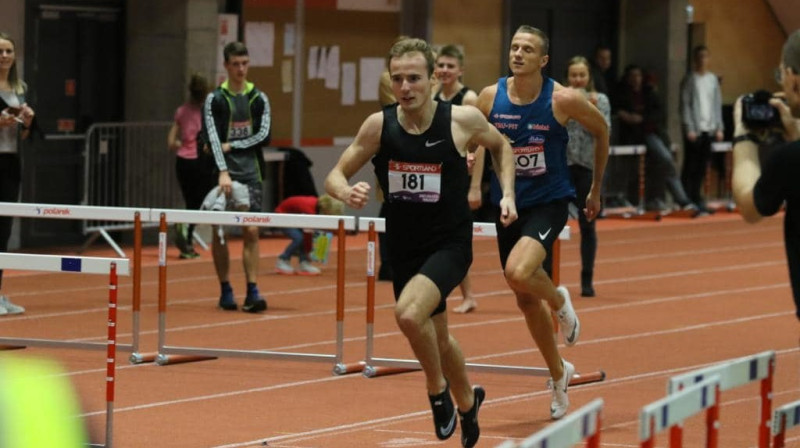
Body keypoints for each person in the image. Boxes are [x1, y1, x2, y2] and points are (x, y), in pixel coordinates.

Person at [325, 37, 517, 447]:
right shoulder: (380, 125)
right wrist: (346, 193)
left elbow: (503, 146)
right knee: (439, 336)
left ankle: (437, 392)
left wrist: (509, 194)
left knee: (409, 315)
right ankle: (468, 401)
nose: (406, 87)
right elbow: (335, 175)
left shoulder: (460, 120)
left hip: (449, 243)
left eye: (414, 78)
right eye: (398, 79)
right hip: (404, 246)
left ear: (433, 81)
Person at [474, 25, 608, 419]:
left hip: (550, 202)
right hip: (509, 204)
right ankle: (558, 374)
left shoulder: (563, 99)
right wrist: (469, 163)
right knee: (522, 296)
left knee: (518, 271)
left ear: (543, 60)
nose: (517, 54)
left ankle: (560, 300)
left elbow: (602, 130)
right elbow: (473, 136)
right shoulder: (490, 96)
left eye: (527, 49)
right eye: (514, 47)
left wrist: (597, 189)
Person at [732, 29, 800, 321]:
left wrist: (743, 140)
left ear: (795, 79)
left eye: (782, 74)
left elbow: (750, 207)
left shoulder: (789, 159)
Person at [203, 41, 270, 313]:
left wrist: (236, 145)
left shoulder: (259, 98)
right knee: (219, 233)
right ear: (226, 66)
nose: (241, 69)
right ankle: (225, 289)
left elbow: (264, 135)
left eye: (245, 64)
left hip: (251, 172)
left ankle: (252, 290)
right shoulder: (215, 99)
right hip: (222, 174)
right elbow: (212, 137)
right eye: (235, 64)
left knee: (251, 230)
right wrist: (222, 170)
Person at [433, 44, 482, 314]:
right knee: (438, 235)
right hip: (437, 174)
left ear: (460, 70)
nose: (444, 70)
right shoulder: (434, 94)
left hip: (460, 177)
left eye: (450, 66)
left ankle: (469, 295)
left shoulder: (469, 98)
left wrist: (474, 186)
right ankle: (458, 293)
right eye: (440, 65)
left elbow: (482, 143)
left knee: (455, 236)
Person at [615, 64, 697, 213]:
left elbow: (658, 115)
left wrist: (641, 119)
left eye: (638, 75)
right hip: (630, 137)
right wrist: (624, 115)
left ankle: (680, 199)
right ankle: (636, 200)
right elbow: (617, 111)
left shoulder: (650, 93)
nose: (635, 79)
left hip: (651, 134)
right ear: (627, 78)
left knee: (666, 161)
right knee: (633, 172)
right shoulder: (621, 93)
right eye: (632, 76)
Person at [564, 56, 611, 297]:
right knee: (550, 221)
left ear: (589, 77)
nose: (578, 79)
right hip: (562, 166)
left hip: (586, 167)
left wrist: (588, 108)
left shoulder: (600, 100)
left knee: (587, 224)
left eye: (582, 75)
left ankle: (586, 278)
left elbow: (604, 131)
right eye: (573, 75)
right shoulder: (560, 98)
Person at [0, 32, 33, 316]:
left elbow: (24, 135)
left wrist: (27, 122)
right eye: (0, 51)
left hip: (10, 163)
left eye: (9, 51)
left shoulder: (20, 87)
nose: (5, 56)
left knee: (4, 230)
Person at [168, 73, 214, 259]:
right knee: (199, 203)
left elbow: (171, 141)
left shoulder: (181, 111)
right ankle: (185, 229)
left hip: (182, 162)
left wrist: (182, 145)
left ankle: (186, 243)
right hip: (199, 161)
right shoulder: (207, 113)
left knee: (190, 200)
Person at [680, 45, 725, 215]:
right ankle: (687, 198)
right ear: (694, 59)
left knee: (702, 165)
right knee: (690, 164)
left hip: (710, 128)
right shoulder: (690, 79)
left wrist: (719, 127)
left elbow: (716, 104)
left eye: (705, 56)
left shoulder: (712, 79)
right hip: (695, 129)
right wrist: (689, 127)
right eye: (699, 57)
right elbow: (685, 105)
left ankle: (698, 197)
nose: (702, 60)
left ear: (709, 59)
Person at [273, 194, 344, 276]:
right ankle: (283, 260)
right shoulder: (309, 210)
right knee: (299, 238)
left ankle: (304, 262)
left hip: (294, 217)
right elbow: (307, 234)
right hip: (281, 216)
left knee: (303, 239)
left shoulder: (316, 206)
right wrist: (309, 252)